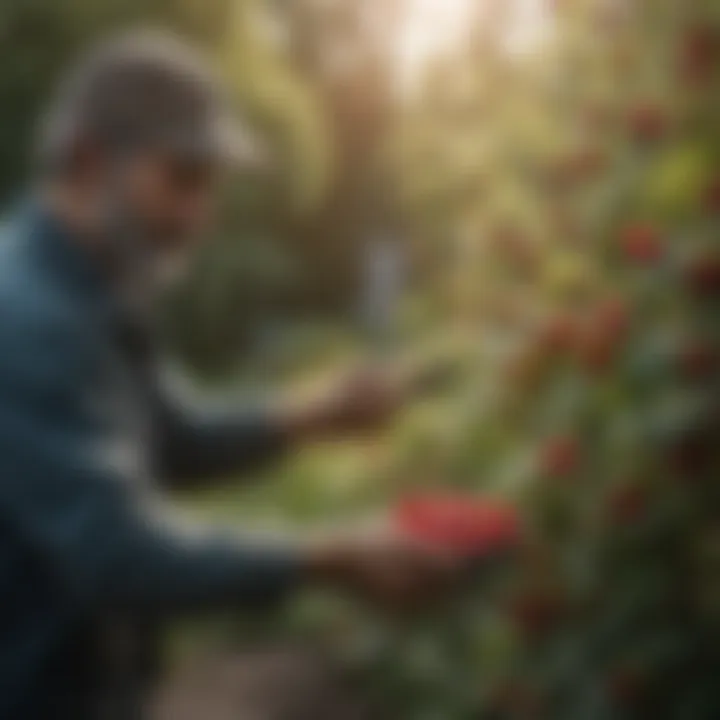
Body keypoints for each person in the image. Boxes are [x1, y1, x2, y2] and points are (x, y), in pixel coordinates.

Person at [0, 30, 460, 720]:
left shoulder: (93, 285)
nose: (199, 216)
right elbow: (115, 554)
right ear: (91, 160)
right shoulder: (28, 320)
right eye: (182, 179)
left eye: (208, 187)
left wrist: (315, 413)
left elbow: (169, 435)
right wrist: (328, 557)